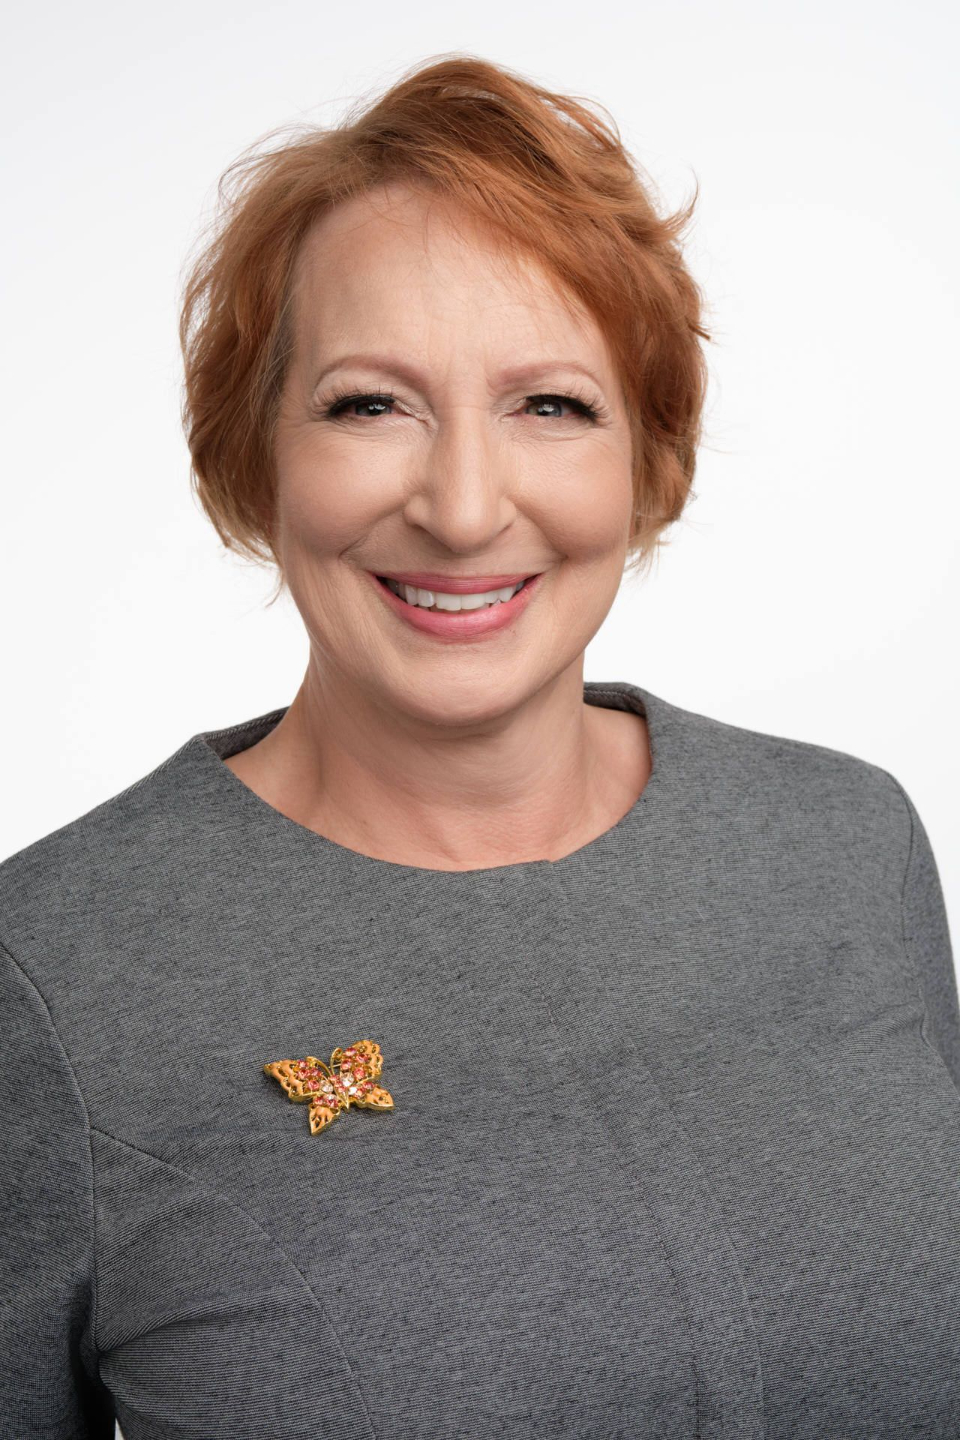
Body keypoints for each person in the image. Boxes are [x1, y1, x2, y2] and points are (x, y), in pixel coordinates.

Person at [1, 53, 958, 1440]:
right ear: (255, 456)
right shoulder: (48, 974)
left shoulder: (847, 844)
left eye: (550, 404)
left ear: (648, 457)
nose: (460, 509)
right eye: (369, 404)